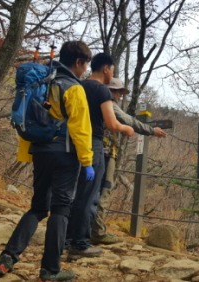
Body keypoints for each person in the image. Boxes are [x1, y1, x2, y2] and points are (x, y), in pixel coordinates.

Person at [0, 41, 93, 282]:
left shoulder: (41, 81)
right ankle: (50, 271)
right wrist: (87, 161)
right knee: (60, 209)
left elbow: (29, 117)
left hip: (39, 151)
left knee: (38, 207)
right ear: (78, 62)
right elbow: (80, 128)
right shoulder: (73, 87)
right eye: (86, 65)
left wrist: (27, 153)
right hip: (64, 154)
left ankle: (7, 258)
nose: (86, 70)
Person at [66, 54, 134, 260]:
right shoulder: (101, 90)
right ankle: (80, 244)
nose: (112, 73)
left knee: (76, 194)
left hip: (72, 143)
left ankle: (67, 239)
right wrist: (126, 128)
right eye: (112, 70)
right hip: (93, 145)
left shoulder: (77, 86)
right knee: (89, 196)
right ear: (105, 68)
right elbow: (112, 123)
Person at [91, 77, 167, 245]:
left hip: (90, 151)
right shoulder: (108, 103)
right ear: (112, 91)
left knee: (91, 191)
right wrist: (151, 130)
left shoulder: (92, 100)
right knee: (104, 190)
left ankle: (87, 229)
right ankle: (97, 232)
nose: (120, 96)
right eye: (119, 92)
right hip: (104, 153)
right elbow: (128, 120)